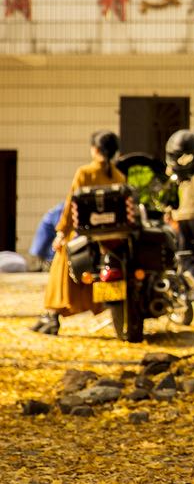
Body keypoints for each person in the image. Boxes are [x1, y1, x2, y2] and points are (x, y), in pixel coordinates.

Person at [32, 130, 125, 335]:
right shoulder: (119, 176)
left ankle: (52, 315)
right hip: (110, 238)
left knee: (61, 264)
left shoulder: (85, 172)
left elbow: (71, 205)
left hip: (85, 234)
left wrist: (61, 232)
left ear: (96, 149)